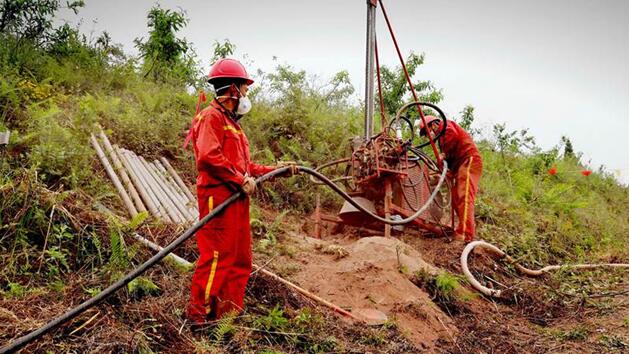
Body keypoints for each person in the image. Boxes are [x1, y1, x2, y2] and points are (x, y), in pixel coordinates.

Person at [185, 58, 295, 323]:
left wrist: (276, 168)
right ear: (233, 89)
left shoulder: (232, 124)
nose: (246, 94)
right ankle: (199, 318)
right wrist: (238, 179)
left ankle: (226, 317)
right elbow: (208, 158)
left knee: (239, 258)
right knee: (216, 257)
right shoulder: (211, 117)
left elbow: (247, 167)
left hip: (235, 197)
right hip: (217, 196)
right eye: (245, 88)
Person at [419, 115, 482, 242]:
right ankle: (463, 229)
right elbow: (449, 160)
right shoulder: (441, 140)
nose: (429, 135)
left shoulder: (445, 126)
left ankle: (465, 234)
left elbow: (452, 137)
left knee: (464, 196)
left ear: (433, 124)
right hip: (458, 166)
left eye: (427, 131)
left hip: (468, 160)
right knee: (456, 199)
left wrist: (444, 155)